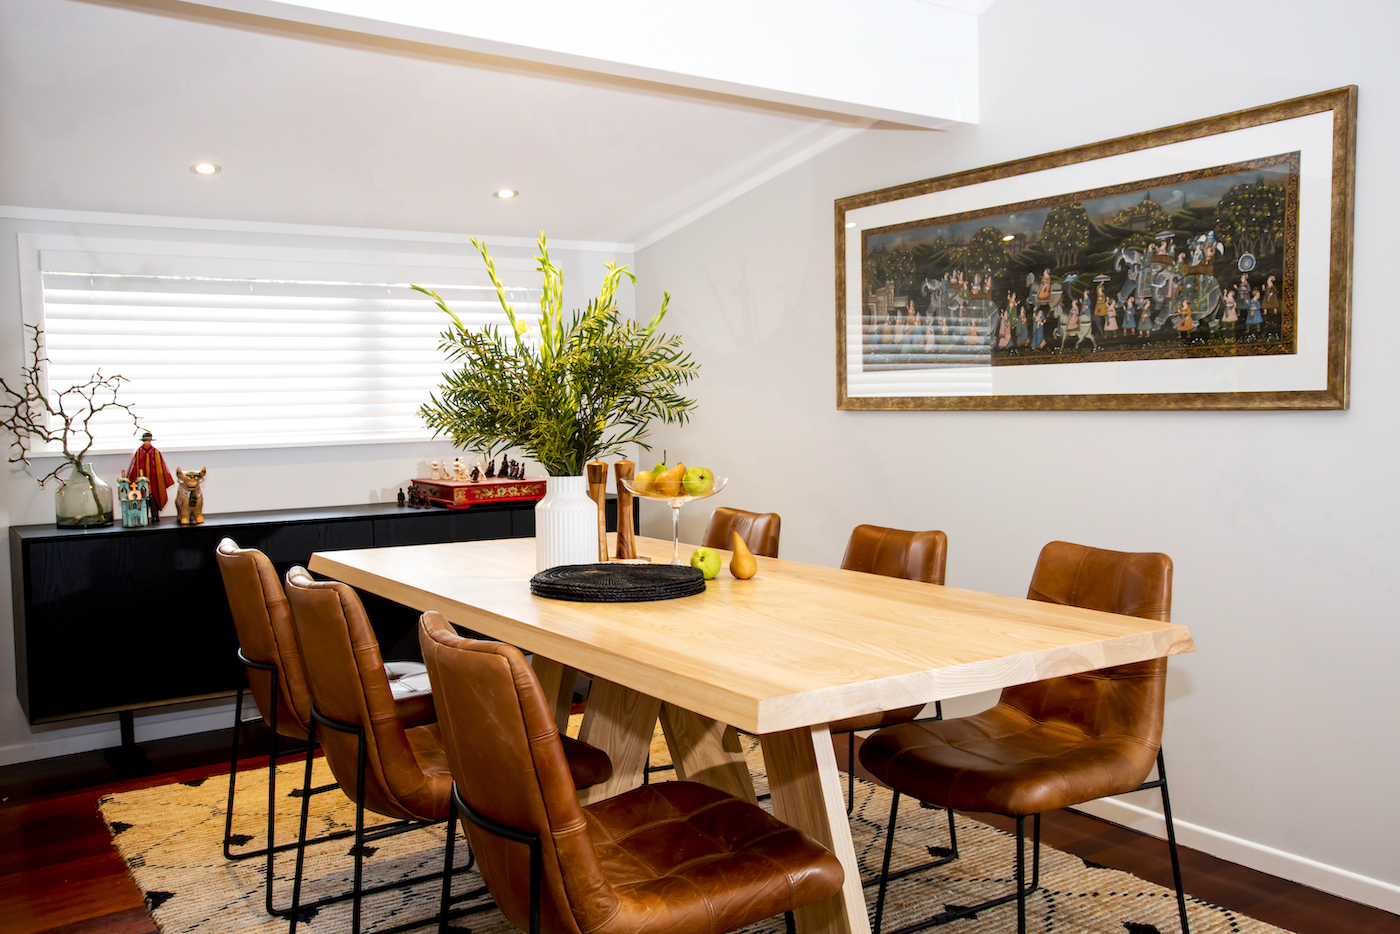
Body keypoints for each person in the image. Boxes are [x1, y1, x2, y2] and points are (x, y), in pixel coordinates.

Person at [127, 431, 173, 524]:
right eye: (145, 441)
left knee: (154, 500)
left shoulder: (156, 452)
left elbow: (161, 467)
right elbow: (134, 467)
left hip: (154, 482)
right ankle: (144, 517)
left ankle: (155, 516)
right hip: (142, 482)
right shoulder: (138, 452)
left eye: (148, 440)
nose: (147, 442)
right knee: (144, 501)